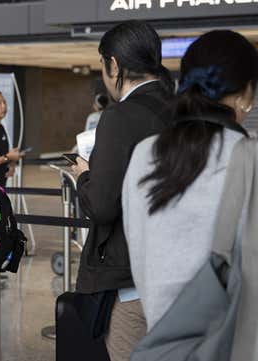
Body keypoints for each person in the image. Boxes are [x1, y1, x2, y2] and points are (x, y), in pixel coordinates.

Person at [122, 30, 258, 332]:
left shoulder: (145, 154)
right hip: (244, 343)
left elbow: (140, 256)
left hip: (166, 341)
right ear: (246, 93)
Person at [66, 20, 174, 361]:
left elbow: (101, 205)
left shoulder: (120, 117)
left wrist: (84, 176)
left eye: (102, 65)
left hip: (132, 282)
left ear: (114, 64)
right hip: (179, 275)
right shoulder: (184, 111)